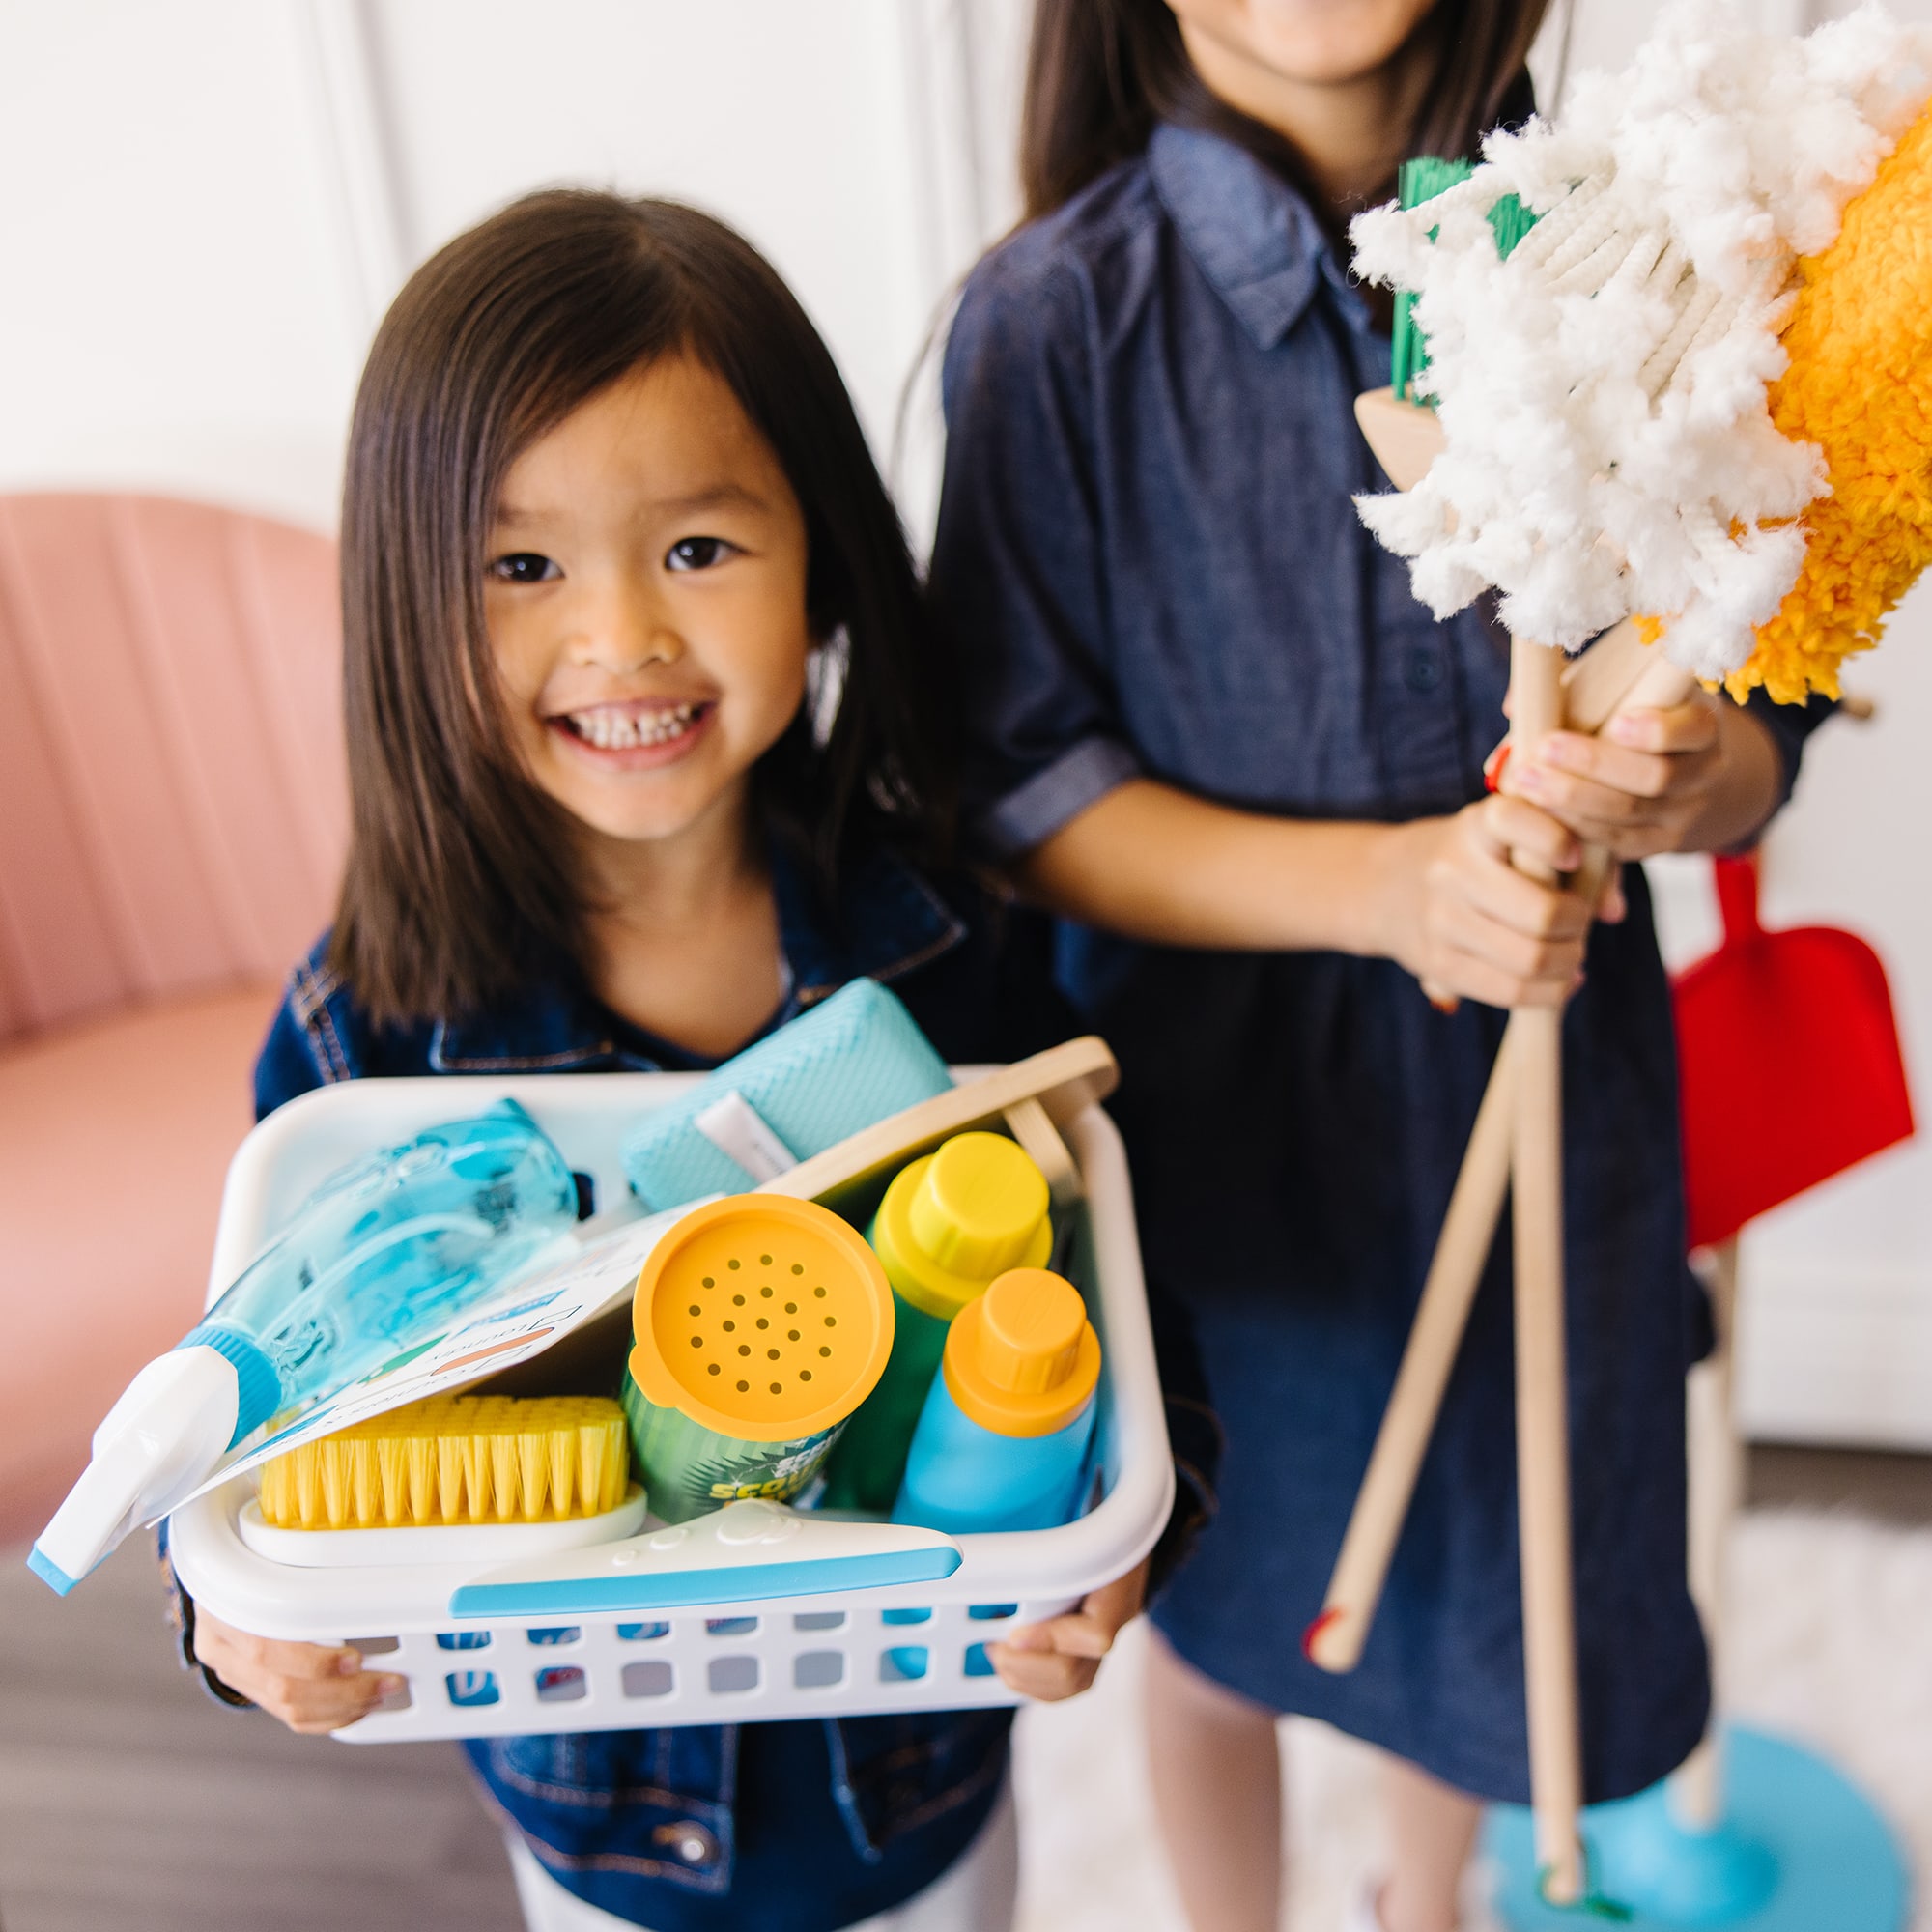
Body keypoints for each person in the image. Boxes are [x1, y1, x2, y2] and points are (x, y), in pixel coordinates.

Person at [166, 189, 1173, 1932]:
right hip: (595, 1813)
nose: (624, 637)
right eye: (523, 565)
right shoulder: (370, 1033)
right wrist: (237, 1625)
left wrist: (1130, 1544)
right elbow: (259, 1407)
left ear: (824, 560)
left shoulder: (947, 937)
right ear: (414, 607)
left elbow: (1123, 1310)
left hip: (913, 1782)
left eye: (699, 551)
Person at [927, 5, 1834, 1931]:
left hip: (1540, 1098)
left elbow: (1770, 700)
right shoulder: (1052, 320)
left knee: (1484, 1601)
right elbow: (1015, 788)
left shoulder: (1624, 254)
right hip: (1211, 1130)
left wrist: (1689, 768)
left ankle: (1419, 1901)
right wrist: (1384, 889)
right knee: (1223, 1586)